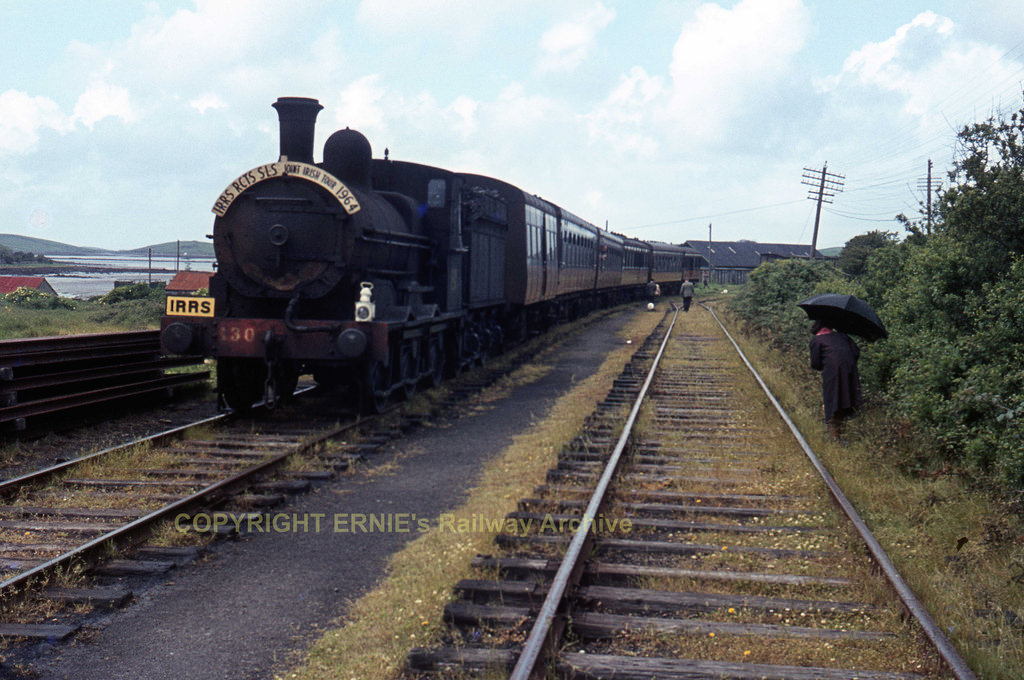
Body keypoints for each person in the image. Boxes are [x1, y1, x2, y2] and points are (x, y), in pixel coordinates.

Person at [809, 320, 862, 440]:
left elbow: (816, 364)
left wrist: (829, 363)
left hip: (832, 373)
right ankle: (841, 430)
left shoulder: (817, 340)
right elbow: (856, 353)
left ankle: (835, 437)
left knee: (832, 400)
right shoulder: (843, 336)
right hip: (850, 372)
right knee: (846, 398)